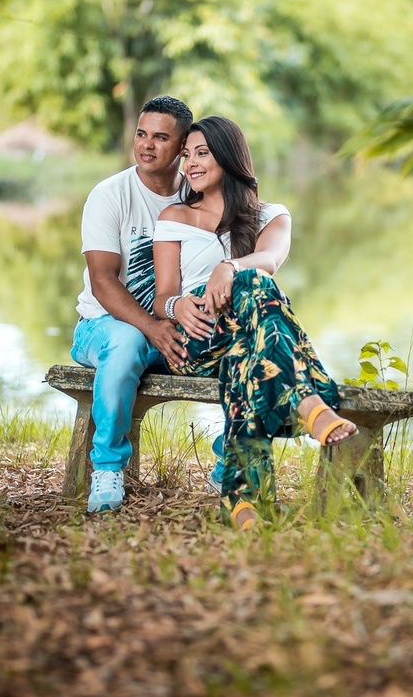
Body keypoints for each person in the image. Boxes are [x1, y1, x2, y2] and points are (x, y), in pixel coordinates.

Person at [152, 115, 357, 530]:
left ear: (228, 158)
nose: (190, 163)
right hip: (197, 339)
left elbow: (271, 261)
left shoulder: (272, 215)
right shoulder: (173, 215)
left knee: (247, 356)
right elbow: (162, 296)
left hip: (246, 337)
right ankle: (307, 402)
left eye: (202, 153)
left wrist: (227, 267)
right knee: (255, 289)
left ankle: (244, 504)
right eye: (187, 155)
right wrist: (177, 308)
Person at [70, 95, 193, 513]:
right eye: (141, 134)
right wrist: (153, 329)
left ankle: (231, 466)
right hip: (102, 328)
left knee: (242, 344)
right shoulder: (110, 195)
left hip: (169, 331)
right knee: (125, 341)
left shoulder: (198, 196)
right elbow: (103, 282)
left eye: (161, 137)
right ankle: (107, 468)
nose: (146, 145)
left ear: (181, 147)